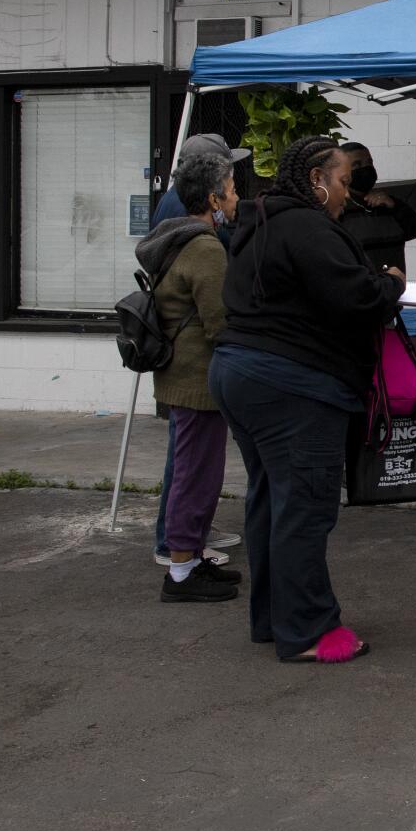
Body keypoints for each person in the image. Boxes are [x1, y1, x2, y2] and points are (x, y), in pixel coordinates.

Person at [209, 137, 405, 664]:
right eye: (342, 182)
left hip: (240, 374)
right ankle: (310, 631)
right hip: (294, 385)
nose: (347, 194)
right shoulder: (309, 227)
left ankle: (276, 619)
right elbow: (357, 300)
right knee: (305, 505)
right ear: (318, 179)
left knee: (273, 498)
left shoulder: (262, 223)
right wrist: (391, 285)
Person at [138, 150, 241, 605]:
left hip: (182, 376)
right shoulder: (204, 247)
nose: (237, 197)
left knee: (193, 469)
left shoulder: (177, 238)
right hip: (198, 379)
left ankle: (190, 557)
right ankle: (180, 569)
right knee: (196, 473)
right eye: (233, 189)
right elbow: (220, 321)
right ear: (215, 198)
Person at [337, 142, 416, 272]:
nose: (366, 168)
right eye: (357, 165)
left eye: (369, 163)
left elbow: (415, 230)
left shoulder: (388, 204)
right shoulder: (338, 208)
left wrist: (395, 206)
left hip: (393, 285)